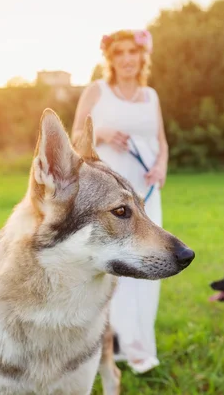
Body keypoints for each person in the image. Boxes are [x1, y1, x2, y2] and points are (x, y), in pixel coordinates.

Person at [71, 29, 168, 374]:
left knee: (148, 261)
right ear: (110, 58)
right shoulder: (97, 91)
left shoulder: (151, 96)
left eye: (133, 52)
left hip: (147, 192)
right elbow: (74, 138)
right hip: (110, 196)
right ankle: (107, 344)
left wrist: (160, 167)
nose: (127, 58)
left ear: (143, 56)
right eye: (120, 52)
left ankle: (138, 343)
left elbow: (161, 140)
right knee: (114, 265)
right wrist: (103, 133)